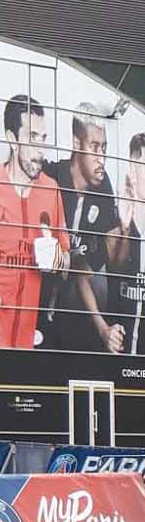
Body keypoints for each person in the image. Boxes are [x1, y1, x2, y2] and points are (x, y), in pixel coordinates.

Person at [0, 93, 69, 350]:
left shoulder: (51, 189)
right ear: (12, 139)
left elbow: (67, 260)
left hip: (25, 340)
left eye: (43, 139)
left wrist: (58, 260)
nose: (40, 150)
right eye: (32, 138)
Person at [41, 102, 122, 352]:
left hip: (73, 316)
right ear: (76, 144)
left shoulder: (103, 185)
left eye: (104, 148)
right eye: (94, 147)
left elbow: (85, 268)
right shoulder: (50, 177)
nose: (102, 158)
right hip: (34, 309)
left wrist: (125, 230)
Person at [103, 131, 145, 355]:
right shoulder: (115, 223)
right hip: (119, 361)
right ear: (132, 168)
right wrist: (126, 228)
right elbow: (114, 268)